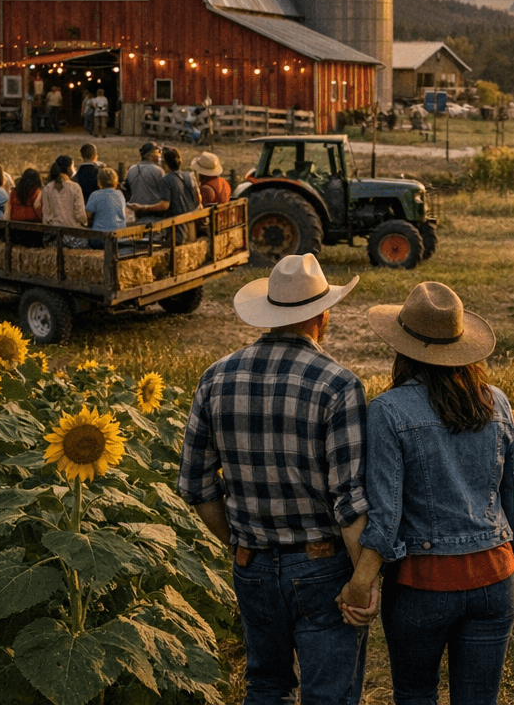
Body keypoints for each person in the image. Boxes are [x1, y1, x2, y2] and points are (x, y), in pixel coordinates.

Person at [178, 254, 367, 705]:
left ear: (270, 312)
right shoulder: (339, 384)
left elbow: (196, 486)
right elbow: (349, 499)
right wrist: (364, 579)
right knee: (330, 695)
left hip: (252, 563)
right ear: (323, 315)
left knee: (265, 685)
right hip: (321, 563)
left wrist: (238, 541)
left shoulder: (216, 377)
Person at [342, 282, 514, 705]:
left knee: (415, 695)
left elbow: (385, 516)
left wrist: (361, 582)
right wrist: (513, 547)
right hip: (496, 577)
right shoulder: (495, 401)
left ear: (403, 348)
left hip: (422, 583)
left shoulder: (389, 410)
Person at [130, 146, 198, 244]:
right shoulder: (190, 176)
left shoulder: (165, 180)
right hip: (191, 228)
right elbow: (198, 199)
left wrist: (143, 207)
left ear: (165, 164)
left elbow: (164, 205)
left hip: (177, 230)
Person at [42, 154, 89, 245]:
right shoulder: (75, 187)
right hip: (73, 235)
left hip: (55, 237)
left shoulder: (47, 188)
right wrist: (85, 223)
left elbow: (46, 216)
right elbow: (81, 215)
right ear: (69, 169)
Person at [84, 167, 128, 250]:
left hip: (100, 238)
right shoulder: (120, 194)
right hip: (119, 237)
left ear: (99, 182)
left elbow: (86, 215)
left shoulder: (95, 195)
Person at [8, 167, 45, 246]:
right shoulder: (37, 193)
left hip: (15, 233)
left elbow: (8, 211)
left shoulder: (13, 193)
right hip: (32, 233)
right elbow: (37, 206)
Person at [124, 141, 165, 206]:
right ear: (151, 154)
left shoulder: (132, 169)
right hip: (153, 209)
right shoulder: (158, 171)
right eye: (158, 152)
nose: (159, 155)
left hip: (136, 208)